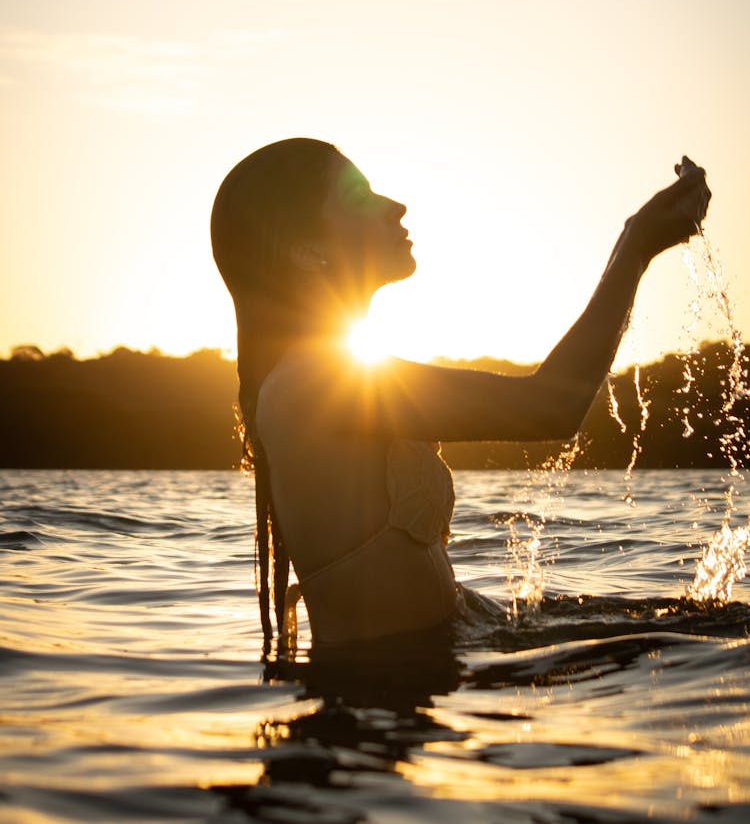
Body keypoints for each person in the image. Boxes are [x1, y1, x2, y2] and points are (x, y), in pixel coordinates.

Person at [210, 138, 710, 650]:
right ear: (307, 251)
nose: (395, 207)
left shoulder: (323, 373)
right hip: (378, 699)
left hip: (420, 679)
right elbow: (550, 408)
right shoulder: (312, 383)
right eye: (360, 199)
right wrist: (636, 244)